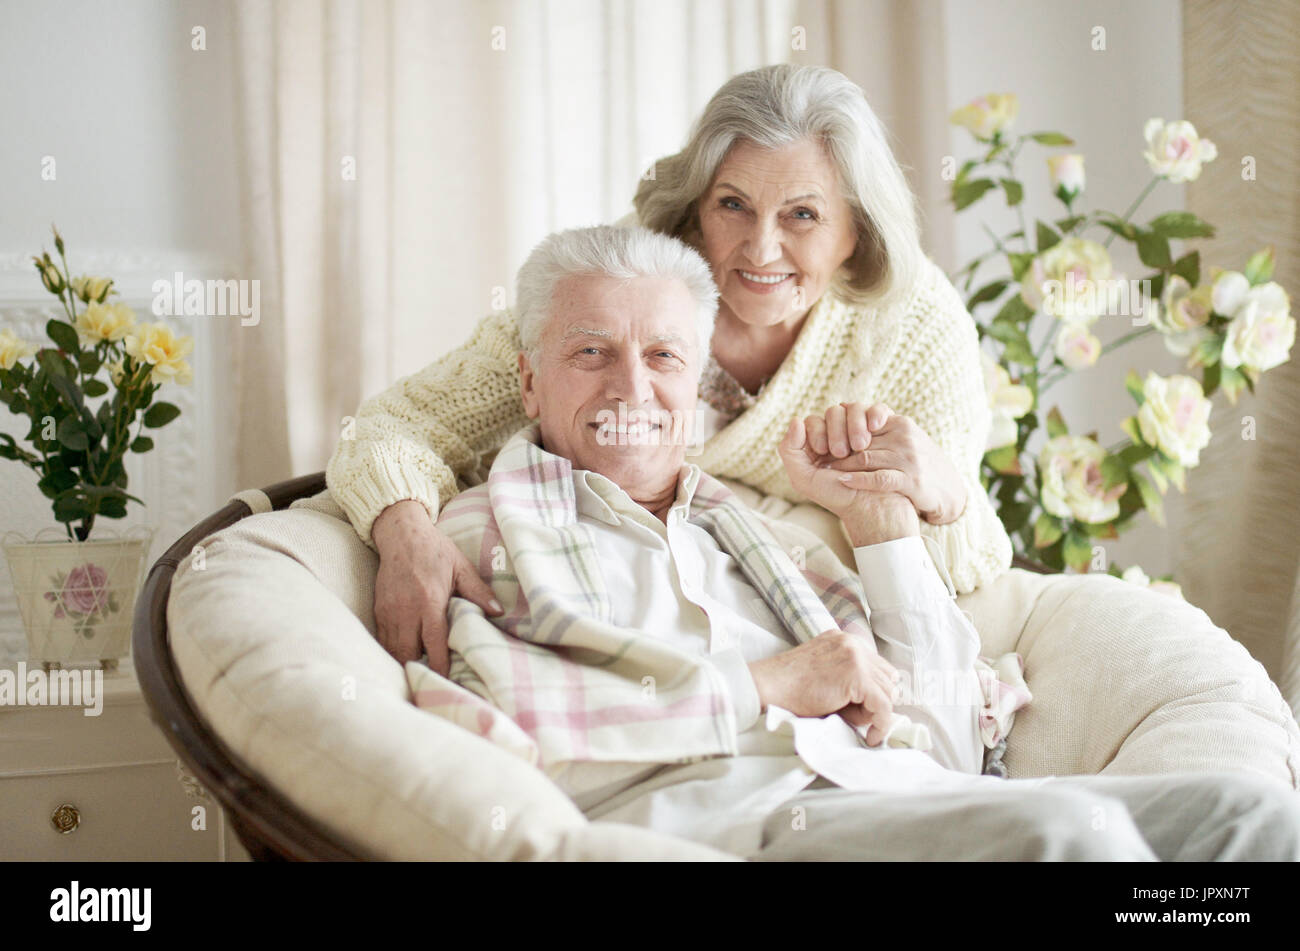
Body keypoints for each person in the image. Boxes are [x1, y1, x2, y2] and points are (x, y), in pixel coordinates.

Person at [326, 63, 1300, 788]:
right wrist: (405, 530)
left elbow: (972, 567)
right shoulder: (629, 302)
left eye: (801, 215)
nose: (759, 249)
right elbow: (391, 427)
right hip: (707, 668)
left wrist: (934, 490)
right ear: (693, 212)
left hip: (848, 639)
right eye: (732, 206)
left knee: (1224, 825)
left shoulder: (912, 324)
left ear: (853, 233)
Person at [408, 222, 1300, 861]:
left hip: (919, 797)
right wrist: (765, 685)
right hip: (744, 823)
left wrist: (884, 535)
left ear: (700, 384)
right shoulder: (487, 528)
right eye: (591, 352)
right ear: (527, 379)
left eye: (665, 357)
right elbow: (514, 734)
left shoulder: (754, 532)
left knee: (1253, 818)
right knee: (1076, 839)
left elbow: (945, 735)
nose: (632, 385)